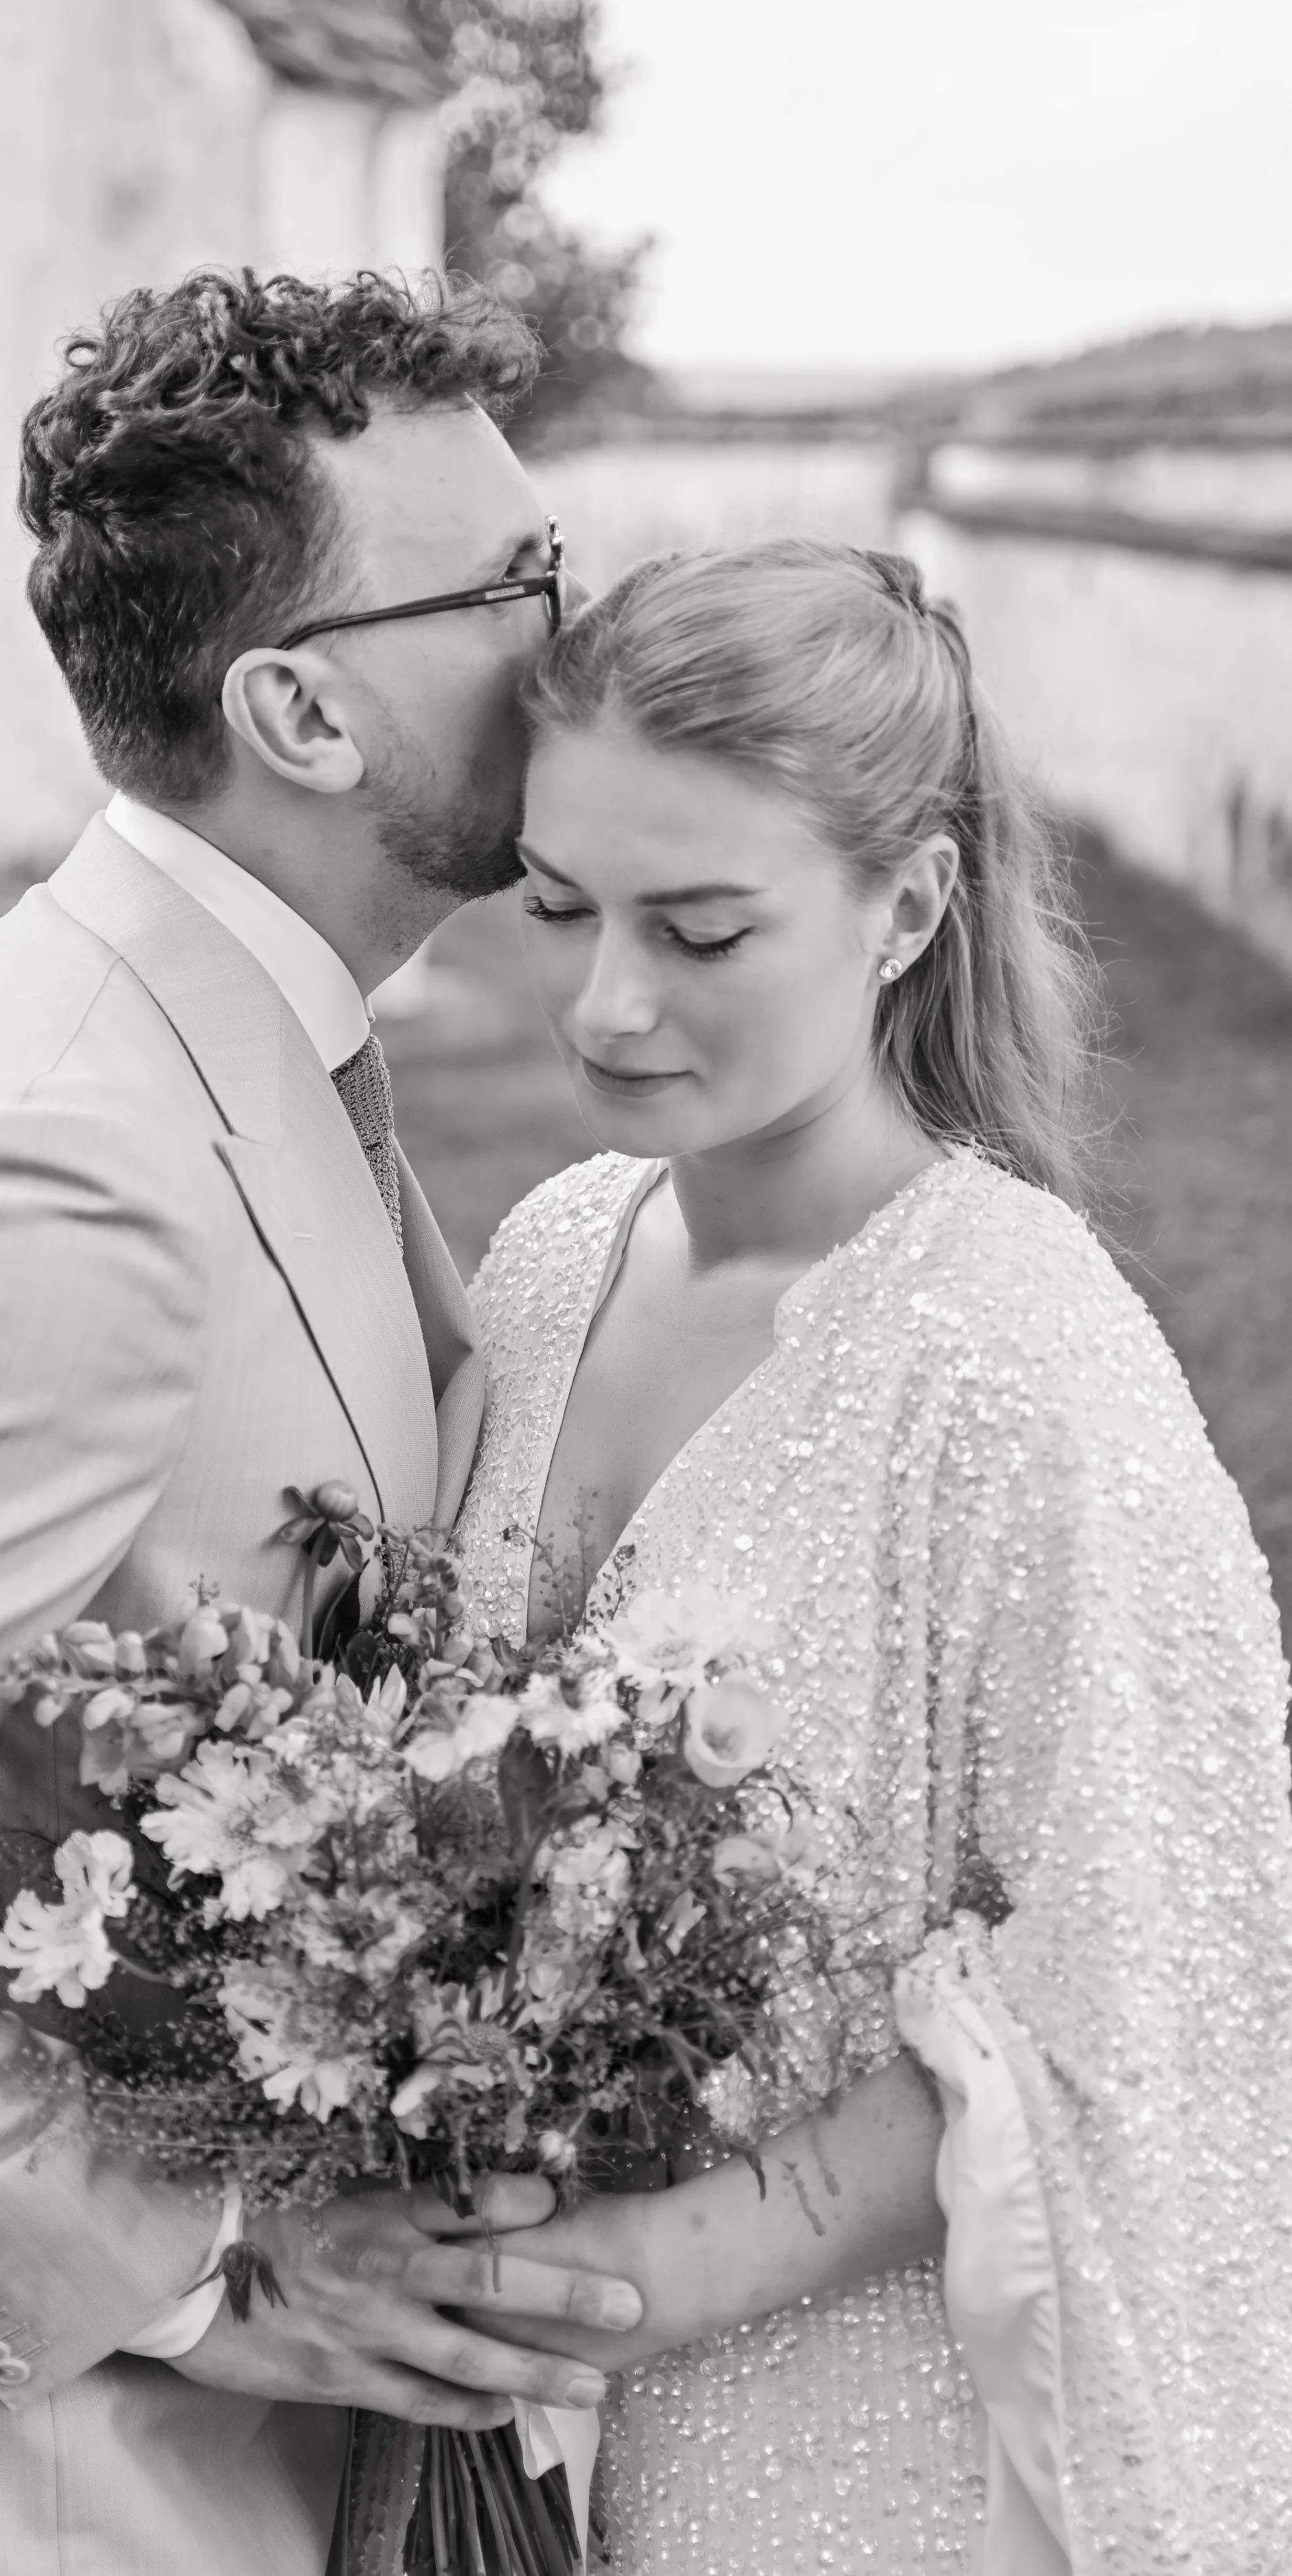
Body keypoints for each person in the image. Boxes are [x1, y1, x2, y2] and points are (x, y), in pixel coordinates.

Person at [0, 271, 644, 2576]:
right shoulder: (59, 1151)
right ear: (298, 708)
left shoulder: (247, 1037)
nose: (574, 645)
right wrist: (197, 2274)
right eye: (515, 589)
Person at [450, 541, 1292, 2573]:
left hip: (848, 2455)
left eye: (702, 926)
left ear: (905, 903)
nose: (606, 1001)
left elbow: (1138, 1972)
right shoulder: (556, 1252)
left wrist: (643, 2272)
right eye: (562, 908)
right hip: (504, 2428)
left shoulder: (1015, 1362)